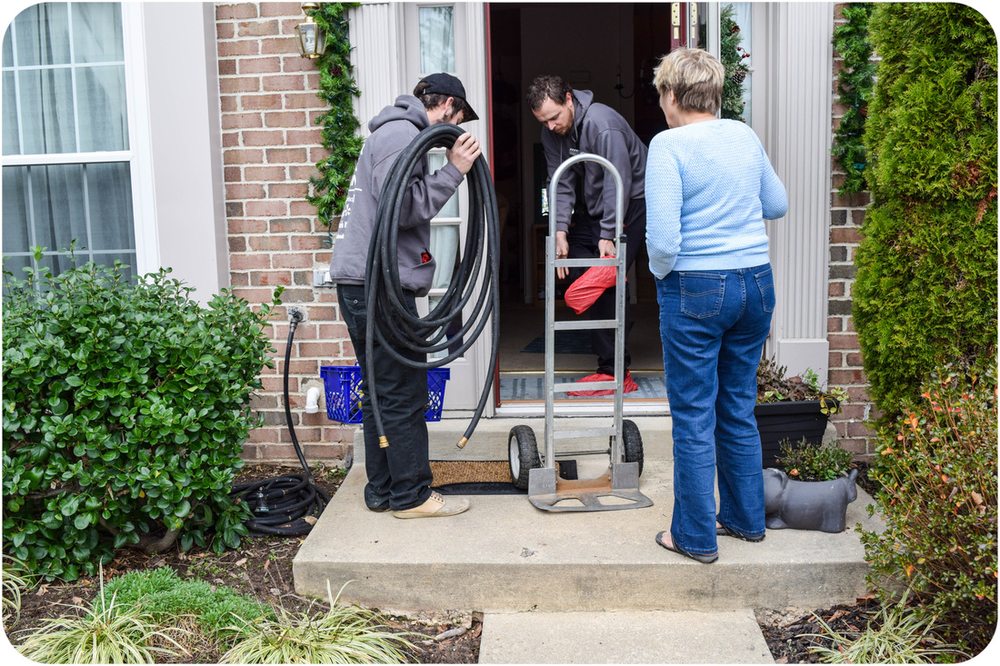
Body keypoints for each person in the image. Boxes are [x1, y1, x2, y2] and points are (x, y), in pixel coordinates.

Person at [645, 49, 788, 563]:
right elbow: (777, 204)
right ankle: (747, 521)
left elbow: (662, 239)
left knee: (693, 415)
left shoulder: (668, 145)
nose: (661, 102)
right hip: (756, 283)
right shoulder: (743, 135)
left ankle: (695, 537)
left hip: (698, 287)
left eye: (662, 92)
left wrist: (663, 278)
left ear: (673, 94)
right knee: (736, 405)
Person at [329, 73, 481, 519]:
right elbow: (403, 208)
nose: (453, 130)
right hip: (379, 287)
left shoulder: (394, 132)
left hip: (370, 284)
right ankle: (412, 496)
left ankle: (384, 489)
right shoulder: (400, 135)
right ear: (448, 107)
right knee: (401, 390)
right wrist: (455, 169)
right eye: (458, 118)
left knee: (380, 388)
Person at [526, 75, 648, 395]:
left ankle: (615, 372)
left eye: (554, 118)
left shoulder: (601, 123)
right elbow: (560, 182)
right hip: (593, 210)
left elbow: (616, 179)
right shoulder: (551, 133)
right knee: (579, 269)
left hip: (631, 203)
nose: (551, 127)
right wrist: (560, 229)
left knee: (603, 280)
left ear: (568, 99)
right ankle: (607, 282)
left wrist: (610, 231)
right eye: (544, 121)